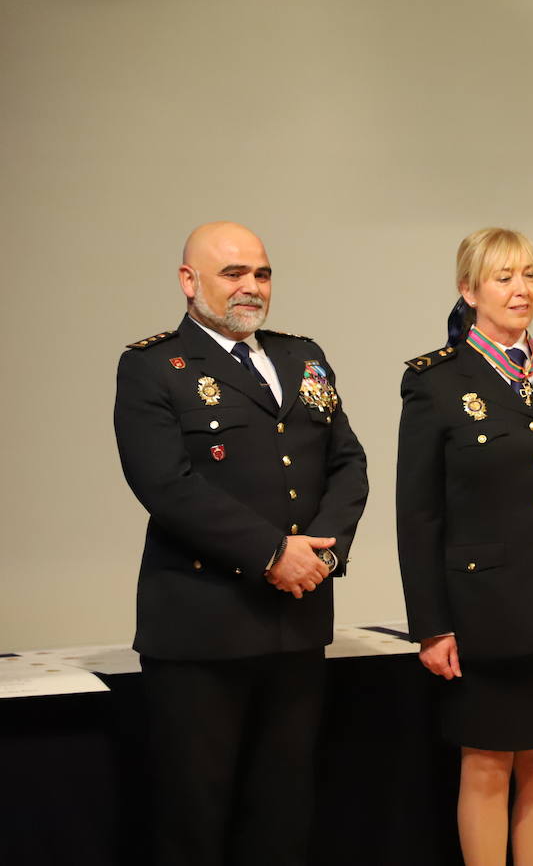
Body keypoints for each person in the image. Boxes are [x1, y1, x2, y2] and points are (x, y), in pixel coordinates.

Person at [113, 221, 369, 866]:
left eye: (261, 272)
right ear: (188, 281)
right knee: (196, 815)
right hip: (202, 628)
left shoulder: (302, 354)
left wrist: (322, 555)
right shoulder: (152, 366)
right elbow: (166, 485)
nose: (251, 287)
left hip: (296, 620)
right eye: (233, 273)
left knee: (284, 809)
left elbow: (347, 463)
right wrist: (272, 553)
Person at [396, 227, 533, 866]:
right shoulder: (435, 382)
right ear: (468, 290)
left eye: (528, 274)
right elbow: (418, 515)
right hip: (482, 610)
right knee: (489, 766)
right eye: (503, 277)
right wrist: (432, 625)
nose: (521, 289)